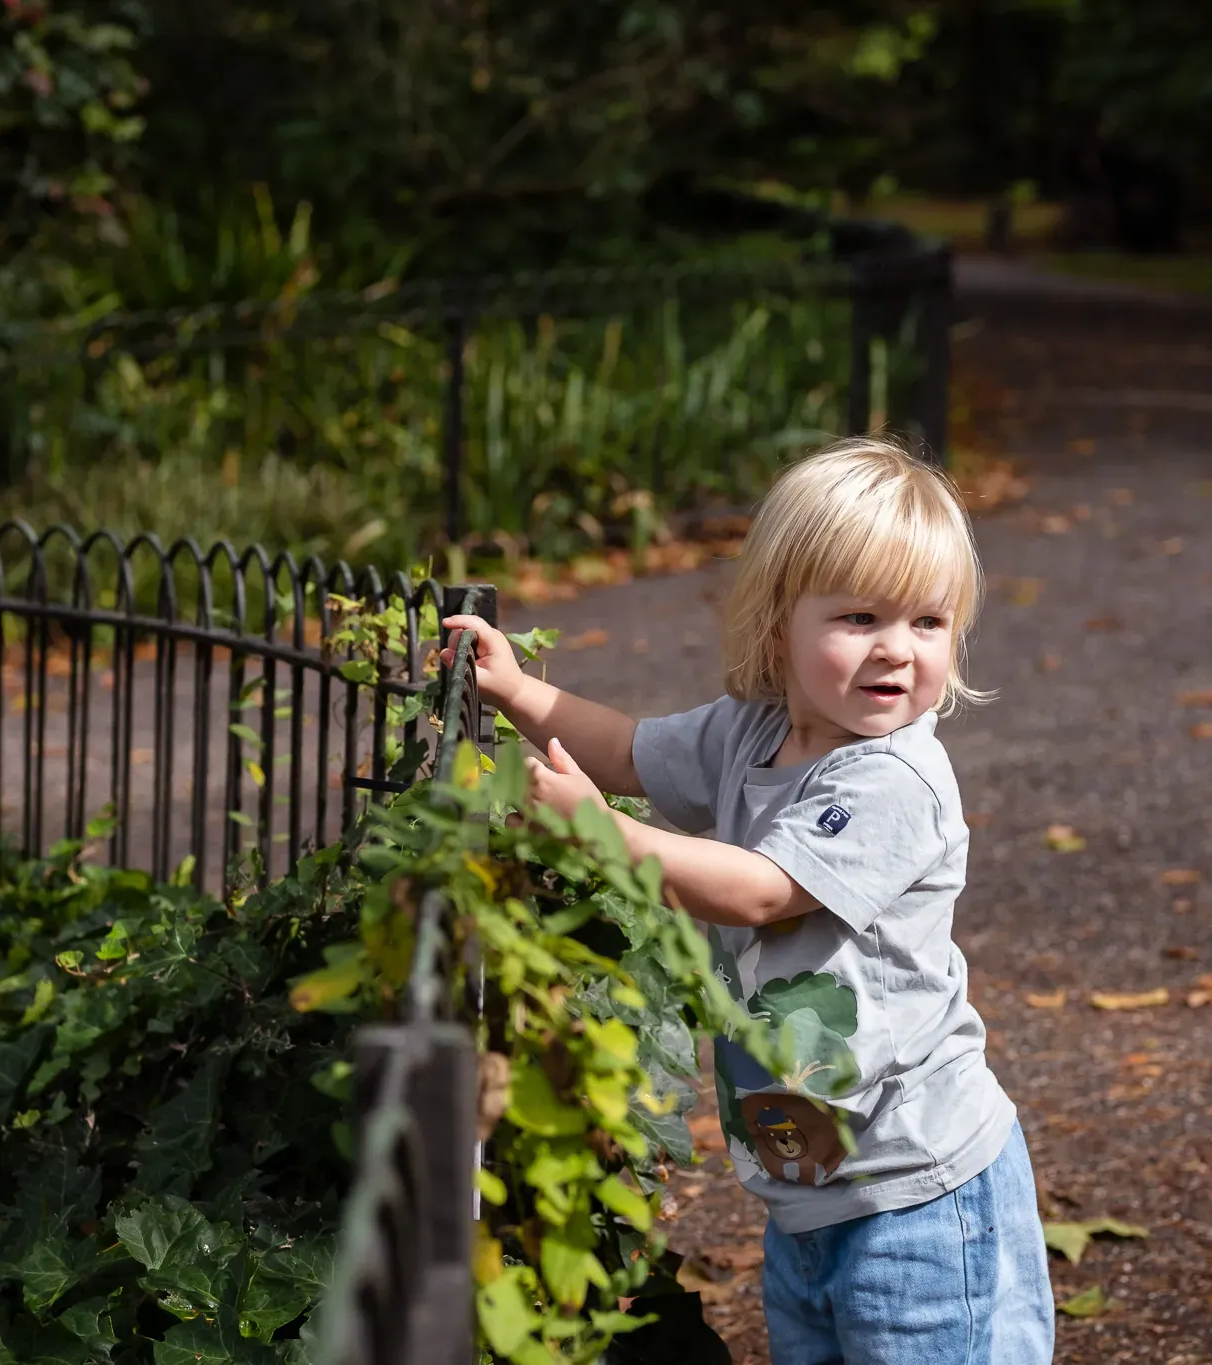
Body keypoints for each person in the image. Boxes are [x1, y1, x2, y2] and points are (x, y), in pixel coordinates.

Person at [441, 435, 1053, 1365]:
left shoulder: (897, 779)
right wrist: (519, 689)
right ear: (779, 626)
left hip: (919, 1186)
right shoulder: (751, 732)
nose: (896, 649)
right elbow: (627, 749)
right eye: (859, 616)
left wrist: (604, 834)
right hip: (808, 1190)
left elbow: (763, 893)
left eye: (928, 621)